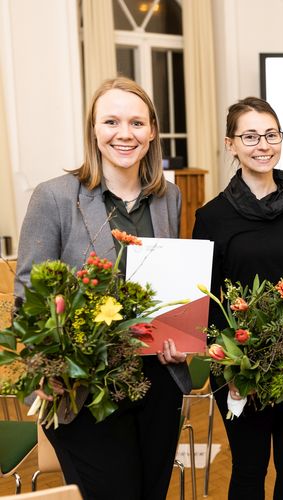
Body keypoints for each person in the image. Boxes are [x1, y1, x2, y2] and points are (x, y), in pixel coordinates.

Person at [14, 76, 191, 500]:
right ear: (93, 129)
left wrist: (182, 334)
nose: (124, 134)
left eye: (136, 123)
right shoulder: (54, 197)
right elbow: (28, 296)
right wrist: (47, 366)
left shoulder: (169, 196)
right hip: (85, 388)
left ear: (151, 132)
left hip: (157, 380)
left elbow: (171, 286)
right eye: (111, 121)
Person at [192, 97, 283, 500]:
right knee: (248, 471)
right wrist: (225, 359)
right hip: (238, 364)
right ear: (231, 144)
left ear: (281, 139)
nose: (262, 145)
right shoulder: (212, 216)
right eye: (250, 136)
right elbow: (207, 299)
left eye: (271, 135)